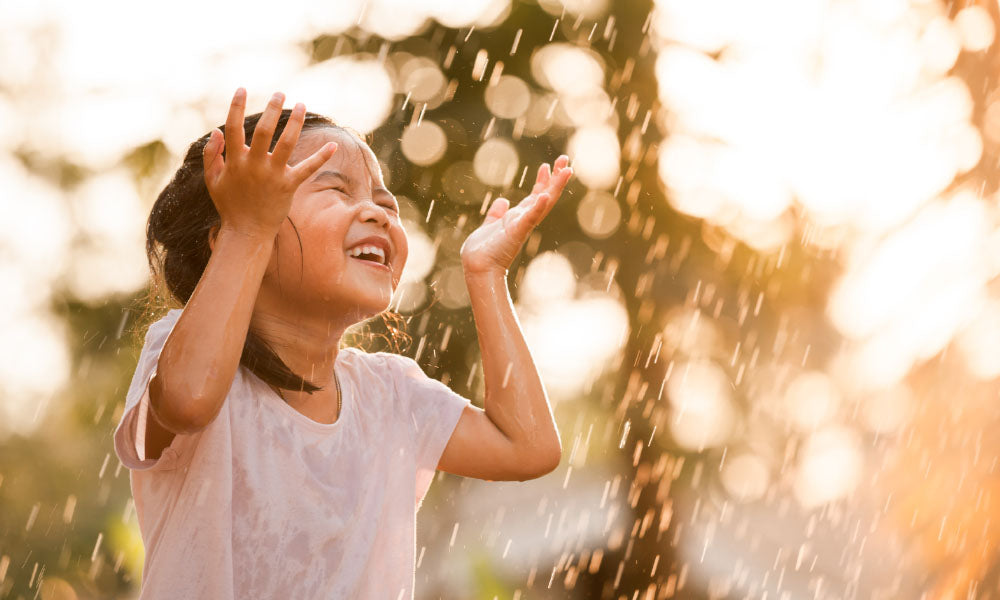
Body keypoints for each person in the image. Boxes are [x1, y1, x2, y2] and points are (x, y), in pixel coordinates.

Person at [112, 87, 573, 599]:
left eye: (384, 202)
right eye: (336, 191)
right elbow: (188, 400)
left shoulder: (391, 396)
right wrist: (247, 228)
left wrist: (486, 275)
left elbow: (528, 447)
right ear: (231, 238)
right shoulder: (178, 354)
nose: (378, 214)